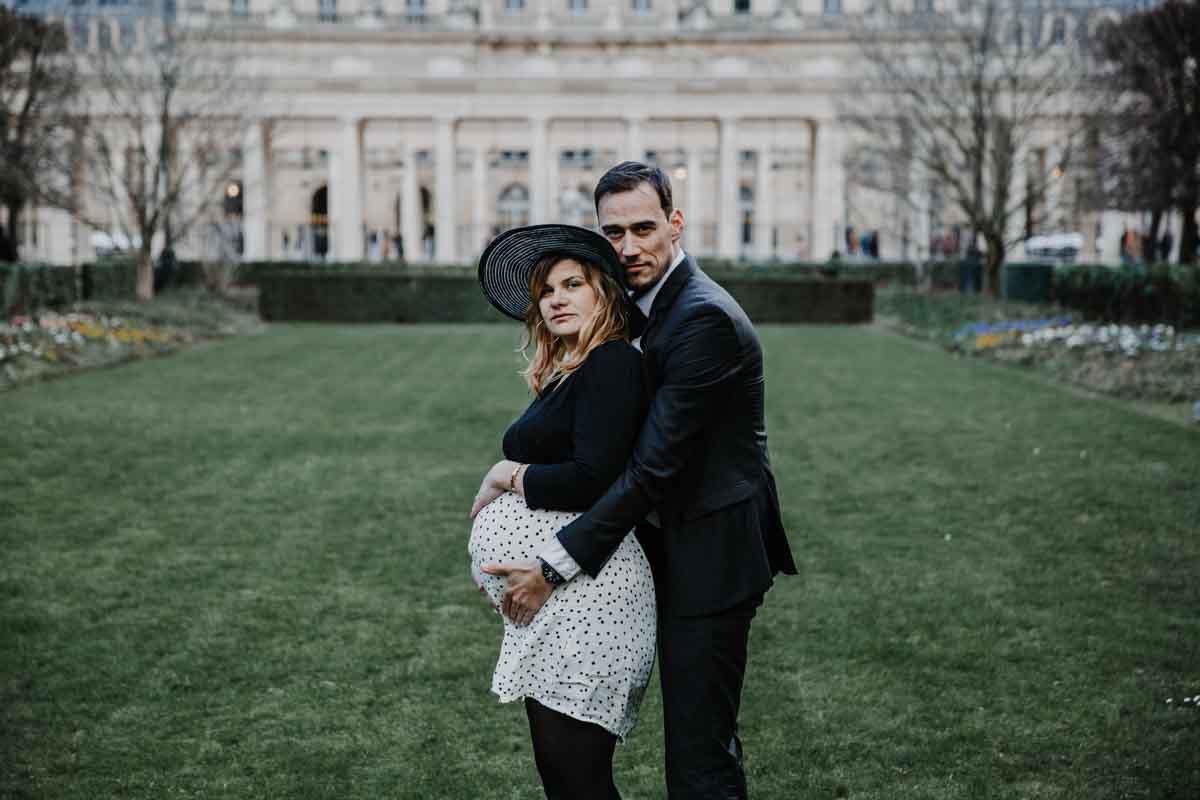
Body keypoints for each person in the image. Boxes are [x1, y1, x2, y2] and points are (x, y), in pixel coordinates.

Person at [486, 162, 798, 798]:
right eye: (614, 231)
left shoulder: (702, 317)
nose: (628, 246)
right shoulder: (641, 308)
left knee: (699, 757)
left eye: (643, 228)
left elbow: (649, 470)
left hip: (710, 555)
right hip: (665, 548)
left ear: (675, 223)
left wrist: (552, 565)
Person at [468, 224, 657, 800]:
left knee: (578, 777)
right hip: (561, 599)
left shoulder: (612, 363)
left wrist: (507, 475)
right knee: (563, 774)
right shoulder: (571, 371)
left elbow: (593, 478)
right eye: (547, 290)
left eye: (573, 284)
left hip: (590, 595)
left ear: (603, 294)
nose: (556, 299)